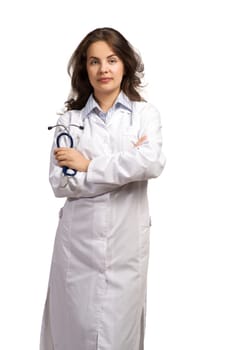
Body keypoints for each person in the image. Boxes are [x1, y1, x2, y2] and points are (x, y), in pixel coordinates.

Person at [40, 27, 166, 350]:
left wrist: (88, 165)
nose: (103, 69)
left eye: (111, 60)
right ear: (85, 68)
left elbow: (151, 163)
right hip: (77, 251)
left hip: (126, 252)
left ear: (124, 64)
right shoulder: (70, 122)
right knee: (73, 337)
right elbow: (61, 182)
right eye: (94, 62)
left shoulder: (144, 115)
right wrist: (125, 165)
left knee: (119, 338)